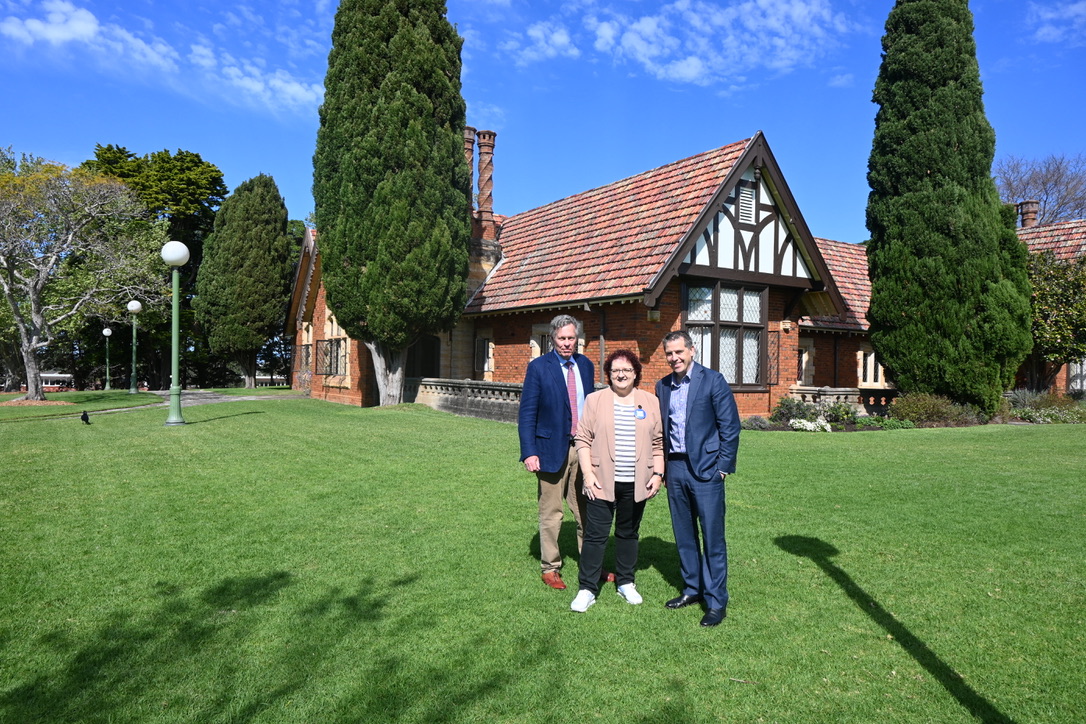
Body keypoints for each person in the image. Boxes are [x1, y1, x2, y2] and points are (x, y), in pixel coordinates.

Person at [655, 330, 740, 627]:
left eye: (680, 352)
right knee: (684, 534)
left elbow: (730, 427)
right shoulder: (662, 386)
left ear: (692, 351)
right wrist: (662, 468)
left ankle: (716, 601)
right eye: (669, 353)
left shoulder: (712, 380)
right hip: (675, 468)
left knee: (713, 538)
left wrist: (722, 468)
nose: (675, 358)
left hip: (707, 471)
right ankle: (692, 589)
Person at [569, 350, 664, 612]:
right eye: (615, 371)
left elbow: (658, 443)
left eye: (627, 370)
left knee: (628, 533)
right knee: (595, 536)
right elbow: (582, 439)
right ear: (609, 374)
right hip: (600, 481)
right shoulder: (595, 400)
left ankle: (626, 582)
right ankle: (587, 589)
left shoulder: (650, 401)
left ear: (636, 373)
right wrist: (588, 476)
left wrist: (657, 475)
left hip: (637, 483)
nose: (621, 375)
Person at [519, 314, 598, 590]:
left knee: (587, 509)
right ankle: (550, 567)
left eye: (571, 338)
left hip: (583, 448)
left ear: (578, 339)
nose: (567, 343)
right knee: (552, 513)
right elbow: (527, 412)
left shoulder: (586, 366)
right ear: (553, 338)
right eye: (562, 338)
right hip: (549, 450)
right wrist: (529, 452)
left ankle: (591, 564)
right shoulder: (539, 367)